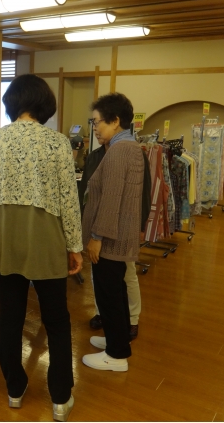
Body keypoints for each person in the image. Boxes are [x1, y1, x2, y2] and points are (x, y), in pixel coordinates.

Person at [0, 74, 83, 422]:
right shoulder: (58, 143)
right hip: (47, 239)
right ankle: (60, 398)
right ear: (44, 104)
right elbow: (69, 200)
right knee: (56, 320)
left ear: (12, 103)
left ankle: (15, 389)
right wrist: (75, 246)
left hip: (7, 238)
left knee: (10, 318)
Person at [81, 92, 144, 372]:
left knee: (110, 294)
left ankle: (116, 356)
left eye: (97, 122)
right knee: (115, 291)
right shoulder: (128, 146)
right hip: (118, 235)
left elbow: (111, 199)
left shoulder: (119, 151)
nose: (95, 128)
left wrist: (96, 237)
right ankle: (116, 340)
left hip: (109, 238)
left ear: (115, 120)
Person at [78, 131, 151, 341]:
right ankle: (103, 313)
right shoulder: (94, 156)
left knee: (127, 274)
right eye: (94, 123)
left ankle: (132, 318)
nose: (96, 129)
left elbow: (143, 192)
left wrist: (139, 224)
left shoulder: (133, 153)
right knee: (99, 273)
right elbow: (86, 191)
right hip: (96, 225)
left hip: (123, 225)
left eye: (99, 122)